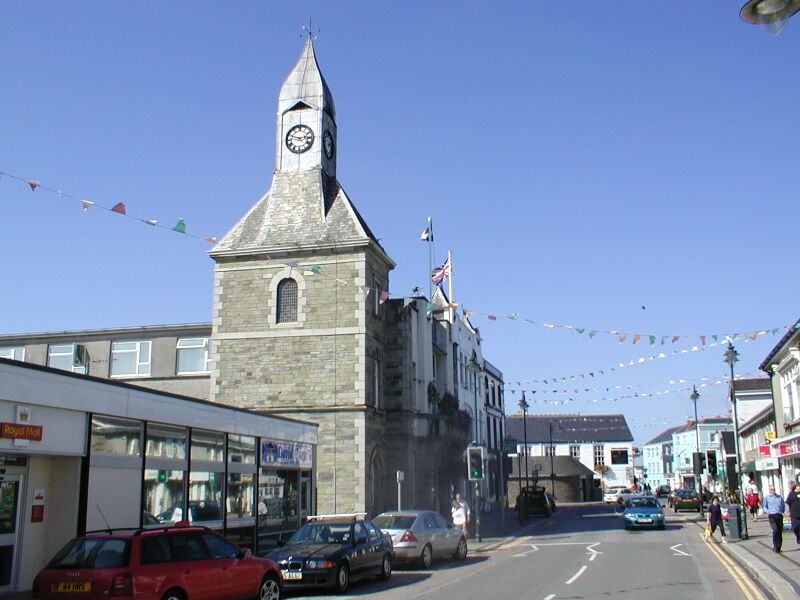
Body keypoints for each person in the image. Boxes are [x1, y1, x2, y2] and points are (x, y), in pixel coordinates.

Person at [763, 484, 786, 553]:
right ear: (769, 490)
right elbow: (764, 506)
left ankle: (779, 546)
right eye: (771, 489)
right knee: (775, 530)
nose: (773, 491)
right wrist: (767, 512)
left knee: (779, 531)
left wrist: (782, 512)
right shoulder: (767, 497)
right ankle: (775, 546)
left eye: (774, 489)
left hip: (779, 515)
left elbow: (783, 505)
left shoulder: (779, 497)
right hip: (772, 516)